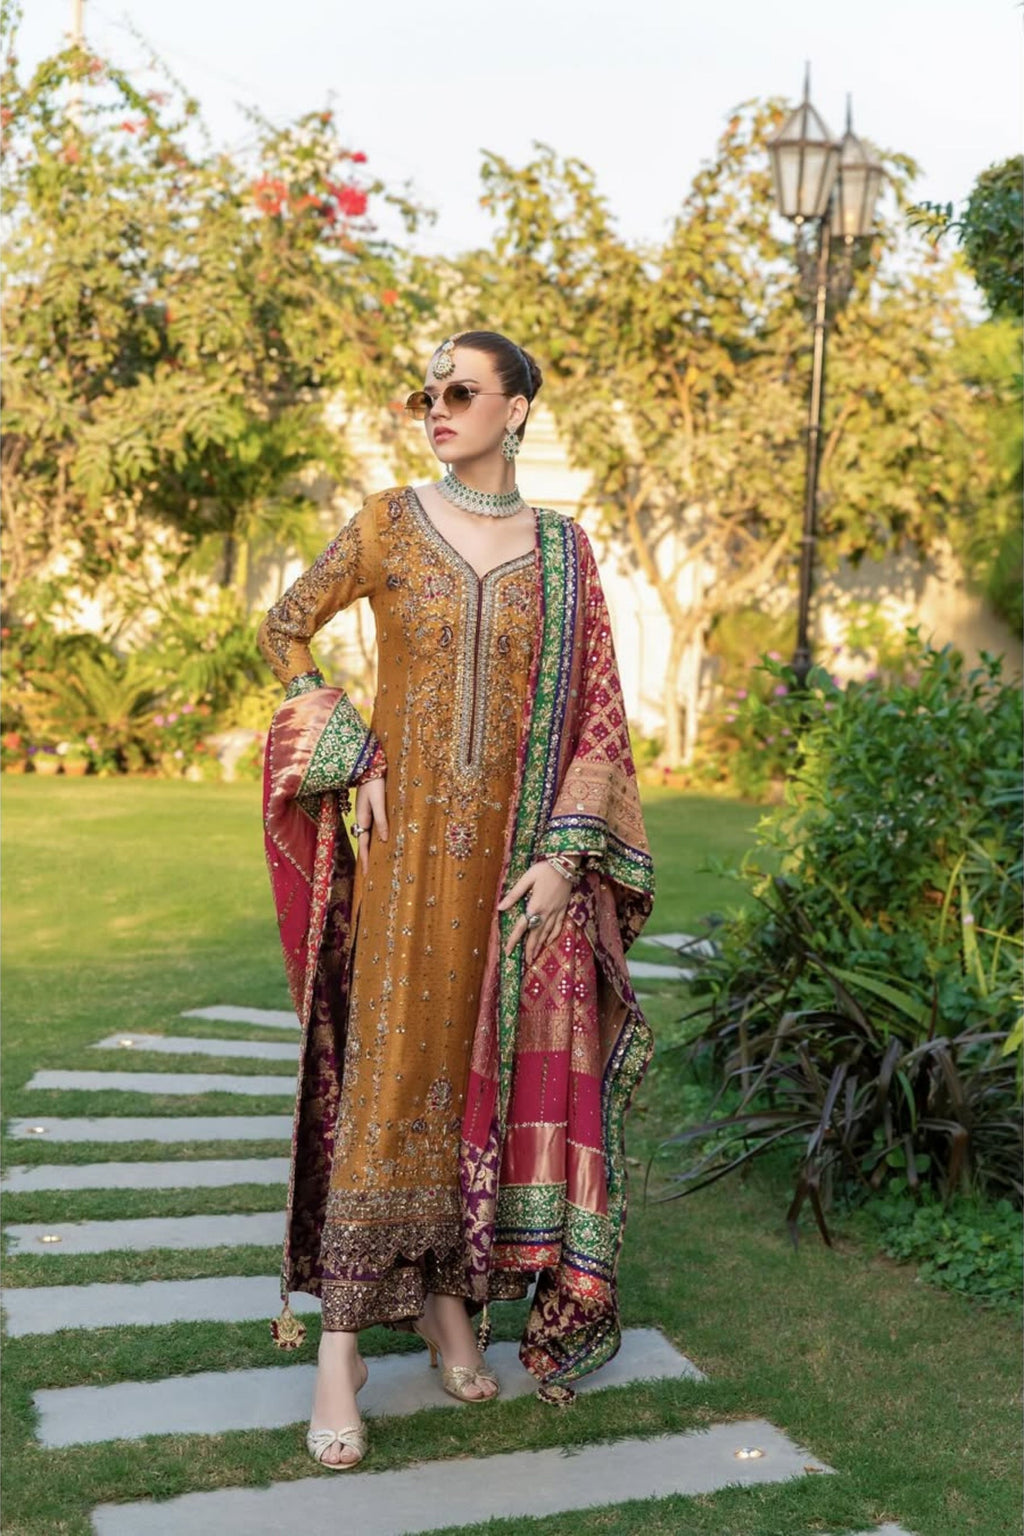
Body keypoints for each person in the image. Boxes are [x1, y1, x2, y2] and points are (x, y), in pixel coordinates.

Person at [257, 330, 655, 1470]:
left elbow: (598, 713)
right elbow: (287, 625)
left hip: (514, 868)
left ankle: (444, 1302)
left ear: (517, 408)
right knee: (389, 1075)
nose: (437, 407)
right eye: (427, 393)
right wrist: (348, 745)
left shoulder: (565, 554)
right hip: (405, 859)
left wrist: (569, 857)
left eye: (462, 392)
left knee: (463, 1079)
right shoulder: (386, 523)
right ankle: (339, 1345)